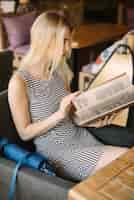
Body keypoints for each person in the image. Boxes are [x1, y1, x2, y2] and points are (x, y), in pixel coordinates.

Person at [8, 10, 128, 182]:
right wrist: (59, 114)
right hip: (57, 153)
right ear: (46, 41)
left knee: (124, 169)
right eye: (64, 41)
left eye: (69, 40)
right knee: (126, 160)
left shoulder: (58, 71)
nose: (68, 47)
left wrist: (94, 118)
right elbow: (24, 133)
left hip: (81, 137)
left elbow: (71, 116)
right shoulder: (19, 82)